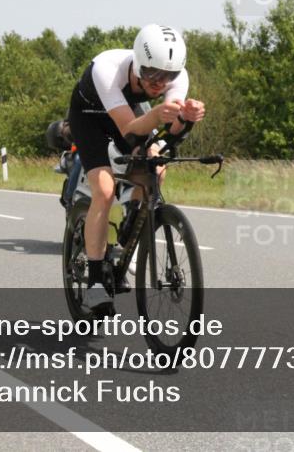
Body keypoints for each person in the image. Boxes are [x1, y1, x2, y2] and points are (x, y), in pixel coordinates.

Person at [66, 24, 205, 310]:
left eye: (168, 77)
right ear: (138, 63)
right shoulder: (107, 68)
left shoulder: (176, 78)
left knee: (156, 165)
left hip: (129, 113)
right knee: (104, 190)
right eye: (152, 74)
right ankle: (94, 282)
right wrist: (157, 115)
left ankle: (131, 223)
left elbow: (170, 132)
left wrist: (186, 118)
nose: (159, 83)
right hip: (90, 117)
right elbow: (129, 130)